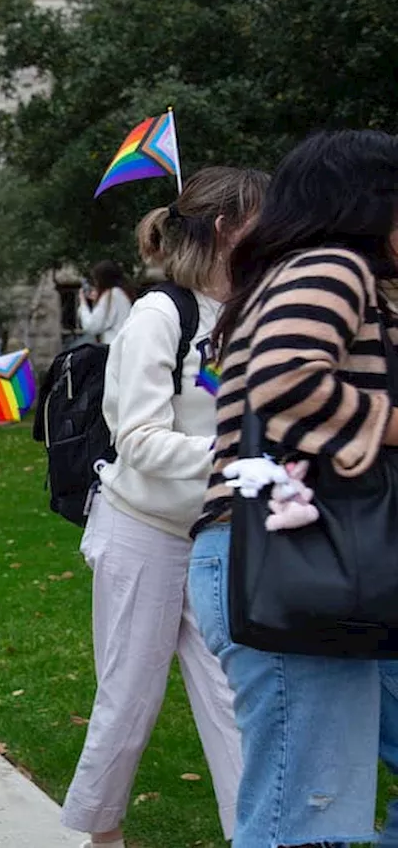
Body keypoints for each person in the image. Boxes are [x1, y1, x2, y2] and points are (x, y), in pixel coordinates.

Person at [194, 131, 398, 848]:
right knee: (299, 816)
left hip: (305, 559)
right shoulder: (330, 267)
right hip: (287, 559)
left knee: (311, 812)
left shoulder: (293, 274)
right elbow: (287, 379)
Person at [59, 167, 268, 848]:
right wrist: (231, 462)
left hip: (218, 535)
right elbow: (139, 439)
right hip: (141, 531)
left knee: (235, 700)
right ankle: (102, 834)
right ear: (223, 228)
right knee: (127, 698)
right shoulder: (157, 315)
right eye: (259, 218)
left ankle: (259, 833)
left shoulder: (251, 310)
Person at [79, 261, 133, 344]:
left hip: (113, 347)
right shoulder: (122, 293)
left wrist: (83, 303)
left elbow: (91, 325)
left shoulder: (111, 296)